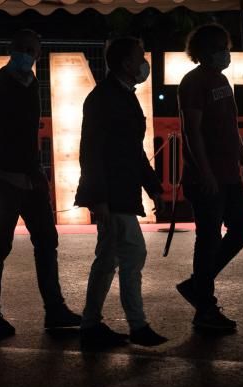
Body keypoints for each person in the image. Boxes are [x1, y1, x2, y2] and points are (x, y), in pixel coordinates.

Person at [0, 29, 81, 339]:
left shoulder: (28, 83)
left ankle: (53, 309)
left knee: (44, 241)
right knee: (1, 244)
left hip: (23, 174)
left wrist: (33, 172)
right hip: (4, 176)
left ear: (38, 53)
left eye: (31, 50)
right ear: (12, 48)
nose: (26, 54)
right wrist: (28, 172)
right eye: (22, 48)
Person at [74, 37, 167, 348]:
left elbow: (131, 149)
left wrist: (151, 186)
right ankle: (136, 325)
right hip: (114, 192)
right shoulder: (107, 98)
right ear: (127, 64)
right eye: (140, 56)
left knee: (109, 257)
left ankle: (91, 324)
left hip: (118, 190)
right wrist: (99, 197)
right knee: (132, 254)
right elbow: (92, 151)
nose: (144, 62)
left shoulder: (118, 95)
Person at [176, 24, 243, 332]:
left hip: (228, 174)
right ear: (210, 50)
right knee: (208, 238)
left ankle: (198, 286)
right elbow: (191, 131)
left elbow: (229, 126)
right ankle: (204, 308)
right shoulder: (193, 83)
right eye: (224, 47)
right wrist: (205, 171)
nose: (228, 53)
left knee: (242, 230)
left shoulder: (221, 80)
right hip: (207, 177)